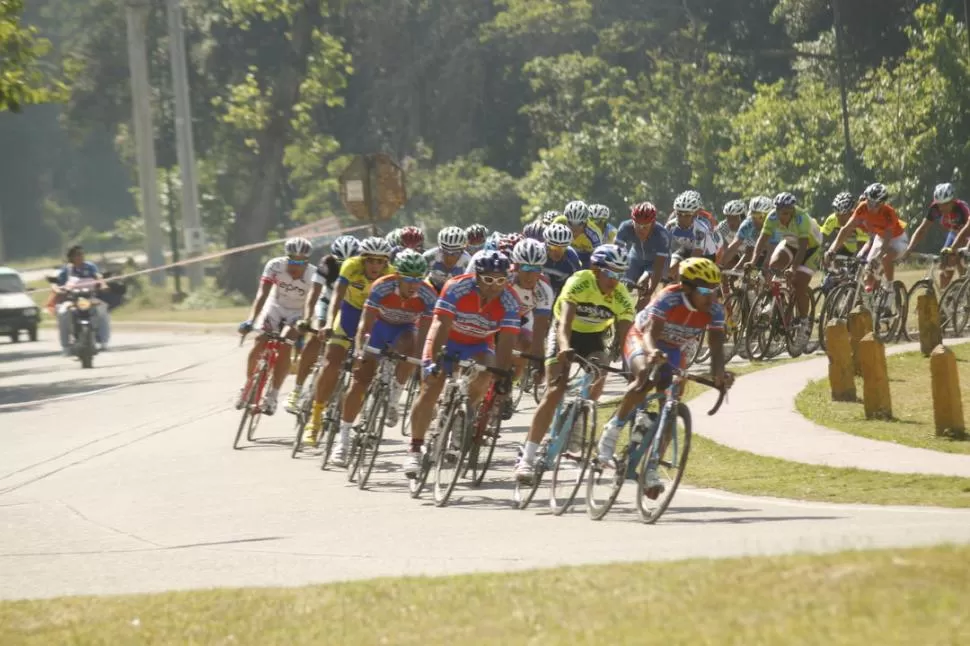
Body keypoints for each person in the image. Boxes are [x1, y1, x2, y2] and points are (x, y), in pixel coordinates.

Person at [596, 257, 733, 496]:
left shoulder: (715, 310)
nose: (711, 297)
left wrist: (719, 375)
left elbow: (717, 347)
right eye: (704, 291)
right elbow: (650, 333)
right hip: (642, 338)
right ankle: (612, 431)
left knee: (670, 406)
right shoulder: (669, 297)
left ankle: (651, 467)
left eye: (715, 290)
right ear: (687, 288)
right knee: (645, 378)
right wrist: (651, 352)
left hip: (673, 349)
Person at [516, 244, 635, 484]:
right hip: (564, 332)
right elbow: (564, 323)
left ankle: (577, 425)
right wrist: (564, 348)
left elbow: (626, 336)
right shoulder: (580, 282)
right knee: (554, 391)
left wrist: (629, 364)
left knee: (599, 375)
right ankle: (526, 459)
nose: (615, 280)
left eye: (620, 274)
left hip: (594, 337)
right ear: (595, 269)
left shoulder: (621, 296)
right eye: (610, 273)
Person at [402, 250, 520, 476]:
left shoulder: (510, 300)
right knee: (430, 387)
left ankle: (465, 413)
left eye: (501, 280)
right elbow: (441, 326)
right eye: (488, 279)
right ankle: (415, 449)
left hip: (478, 343)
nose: (495, 286)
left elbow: (506, 342)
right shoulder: (456, 287)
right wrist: (433, 361)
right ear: (477, 276)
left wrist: (503, 376)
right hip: (447, 338)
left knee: (487, 371)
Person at [329, 250, 437, 465]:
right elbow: (365, 324)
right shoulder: (383, 285)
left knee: (412, 344)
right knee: (360, 381)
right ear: (398, 275)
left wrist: (421, 362)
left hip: (405, 330)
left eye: (418, 278)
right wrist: (360, 351)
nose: (413, 284)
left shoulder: (428, 294)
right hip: (379, 328)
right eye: (408, 278)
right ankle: (343, 440)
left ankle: (395, 396)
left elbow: (425, 335)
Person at [301, 236, 394, 444]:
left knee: (363, 373)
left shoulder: (391, 274)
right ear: (363, 259)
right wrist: (327, 324)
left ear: (386, 262)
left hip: (373, 317)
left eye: (380, 261)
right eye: (371, 260)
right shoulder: (351, 266)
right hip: (349, 313)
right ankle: (315, 419)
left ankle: (355, 420)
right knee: (332, 362)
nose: (375, 266)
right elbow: (337, 296)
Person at [236, 237, 316, 415]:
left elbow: (311, 303)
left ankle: (273, 395)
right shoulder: (274, 266)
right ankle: (248, 385)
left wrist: (306, 322)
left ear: (307, 262)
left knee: (287, 341)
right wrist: (251, 320)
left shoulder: (313, 275)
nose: (296, 266)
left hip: (297, 312)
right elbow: (262, 295)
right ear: (286, 258)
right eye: (292, 260)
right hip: (275, 307)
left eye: (301, 262)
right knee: (260, 339)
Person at [285, 235, 360, 413]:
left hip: (349, 307)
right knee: (316, 338)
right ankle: (296, 390)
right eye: (340, 261)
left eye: (348, 261)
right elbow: (314, 293)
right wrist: (307, 317)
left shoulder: (361, 267)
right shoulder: (326, 263)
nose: (344, 266)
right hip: (327, 304)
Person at [749, 192, 821, 348]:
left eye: (787, 213)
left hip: (810, 248)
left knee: (799, 284)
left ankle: (804, 323)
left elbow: (803, 247)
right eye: (780, 213)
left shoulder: (801, 218)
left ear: (792, 211)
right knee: (772, 268)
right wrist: (753, 261)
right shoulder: (772, 217)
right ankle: (776, 303)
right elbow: (762, 240)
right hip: (789, 244)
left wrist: (793, 268)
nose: (783, 216)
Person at [826, 183, 908, 289]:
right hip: (880, 238)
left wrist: (878, 257)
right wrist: (831, 250)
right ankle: (870, 300)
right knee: (868, 272)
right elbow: (846, 229)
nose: (870, 206)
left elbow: (888, 239)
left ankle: (890, 289)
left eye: (875, 204)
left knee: (884, 258)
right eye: (869, 201)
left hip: (897, 239)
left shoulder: (889, 213)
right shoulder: (863, 207)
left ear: (882, 203)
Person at [506, 238, 554, 418]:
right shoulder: (506, 278)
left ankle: (509, 386)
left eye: (536, 270)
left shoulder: (544, 288)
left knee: (526, 345)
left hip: (524, 317)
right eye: (525, 268)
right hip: (500, 315)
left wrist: (538, 363)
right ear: (516, 266)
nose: (530, 275)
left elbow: (540, 329)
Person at [901, 182, 970, 288]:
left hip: (967, 234)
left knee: (960, 263)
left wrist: (953, 249)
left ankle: (965, 291)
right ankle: (946, 299)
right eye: (939, 204)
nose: (942, 208)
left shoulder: (961, 209)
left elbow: (965, 231)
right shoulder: (935, 209)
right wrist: (909, 249)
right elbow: (922, 229)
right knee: (944, 268)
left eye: (946, 204)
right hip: (954, 233)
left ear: (953, 200)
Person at [53, 245, 110, 355]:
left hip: (89, 298)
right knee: (63, 313)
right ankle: (66, 346)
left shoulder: (90, 266)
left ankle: (103, 342)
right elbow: (57, 284)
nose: (81, 257)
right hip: (72, 300)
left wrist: (103, 285)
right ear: (71, 257)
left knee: (102, 309)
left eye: (82, 254)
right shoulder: (67, 270)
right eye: (77, 255)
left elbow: (98, 277)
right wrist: (58, 290)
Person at [614, 201, 671, 307]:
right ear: (632, 221)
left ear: (653, 224)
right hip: (636, 257)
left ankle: (639, 317)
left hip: (655, 262)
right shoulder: (625, 227)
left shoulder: (662, 235)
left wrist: (650, 290)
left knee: (643, 284)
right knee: (623, 288)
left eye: (645, 227)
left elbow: (658, 268)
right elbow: (616, 254)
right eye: (637, 225)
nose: (641, 230)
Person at [666, 191, 720, 279]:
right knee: (670, 269)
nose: (682, 218)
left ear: (694, 215)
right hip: (687, 249)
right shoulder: (670, 225)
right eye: (679, 214)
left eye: (687, 215)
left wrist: (680, 271)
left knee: (685, 275)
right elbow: (661, 246)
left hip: (706, 255)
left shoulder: (700, 229)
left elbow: (696, 254)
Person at [720, 195, 775, 270]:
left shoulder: (777, 224)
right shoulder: (748, 223)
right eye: (753, 215)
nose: (755, 219)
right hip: (759, 253)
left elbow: (773, 249)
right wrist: (721, 265)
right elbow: (734, 245)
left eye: (760, 216)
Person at [553, 201, 603, 267]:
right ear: (565, 220)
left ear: (585, 222)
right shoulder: (560, 222)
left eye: (579, 224)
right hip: (564, 252)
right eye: (570, 223)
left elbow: (597, 260)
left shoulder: (594, 235)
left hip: (585, 258)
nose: (574, 228)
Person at [424, 227, 471, 291]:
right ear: (439, 248)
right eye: (445, 252)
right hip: (432, 288)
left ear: (463, 250)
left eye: (455, 253)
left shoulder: (468, 262)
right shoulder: (429, 257)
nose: (449, 258)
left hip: (455, 292)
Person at [541, 223, 582, 295]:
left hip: (562, 291)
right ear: (546, 245)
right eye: (554, 247)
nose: (558, 252)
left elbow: (578, 283)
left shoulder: (572, 257)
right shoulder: (539, 252)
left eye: (562, 248)